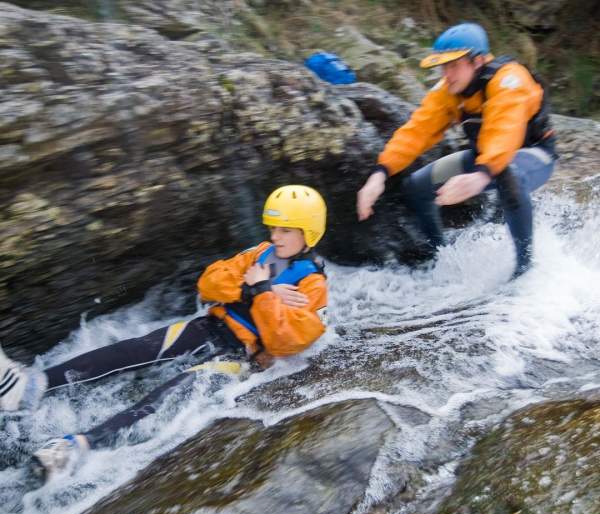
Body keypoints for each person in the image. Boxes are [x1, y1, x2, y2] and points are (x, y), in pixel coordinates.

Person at [0, 185, 328, 479]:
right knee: (131, 350)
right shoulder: (259, 254)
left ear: (308, 233)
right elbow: (210, 280)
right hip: (211, 326)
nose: (275, 236)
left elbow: (284, 342)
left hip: (242, 357)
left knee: (167, 394)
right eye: (273, 227)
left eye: (285, 230)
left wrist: (262, 293)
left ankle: (77, 447)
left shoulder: (313, 285)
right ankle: (32, 386)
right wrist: (252, 289)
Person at [356, 22, 557, 278]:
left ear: (478, 61)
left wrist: (482, 175)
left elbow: (505, 132)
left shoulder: (510, 80)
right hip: (482, 160)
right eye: (443, 66)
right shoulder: (448, 89)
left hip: (533, 157)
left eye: (453, 65)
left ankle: (525, 269)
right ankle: (439, 256)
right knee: (416, 186)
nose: (446, 73)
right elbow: (416, 131)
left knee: (511, 175)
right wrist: (380, 173)